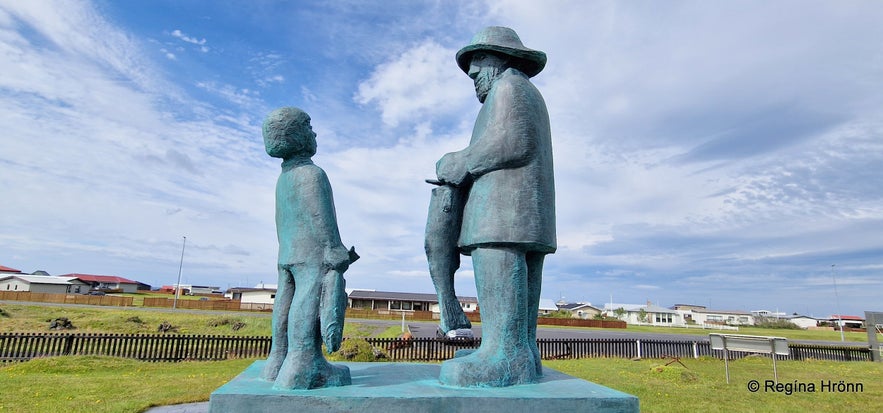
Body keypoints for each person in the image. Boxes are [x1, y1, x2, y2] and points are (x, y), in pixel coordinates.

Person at [433, 26, 555, 387]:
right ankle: (520, 354)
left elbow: (512, 142)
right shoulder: (523, 91)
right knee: (520, 286)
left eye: (478, 62)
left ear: (498, 60)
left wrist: (462, 160)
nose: (471, 73)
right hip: (522, 217)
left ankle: (503, 355)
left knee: (499, 268)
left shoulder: (509, 87)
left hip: (502, 216)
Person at [260, 107, 356, 390]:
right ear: (296, 135)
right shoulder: (312, 174)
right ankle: (302, 363)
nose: (314, 133)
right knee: (309, 297)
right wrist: (335, 249)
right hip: (312, 253)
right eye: (309, 126)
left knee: (285, 300)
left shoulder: (284, 178)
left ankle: (277, 360)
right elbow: (320, 216)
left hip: (287, 252)